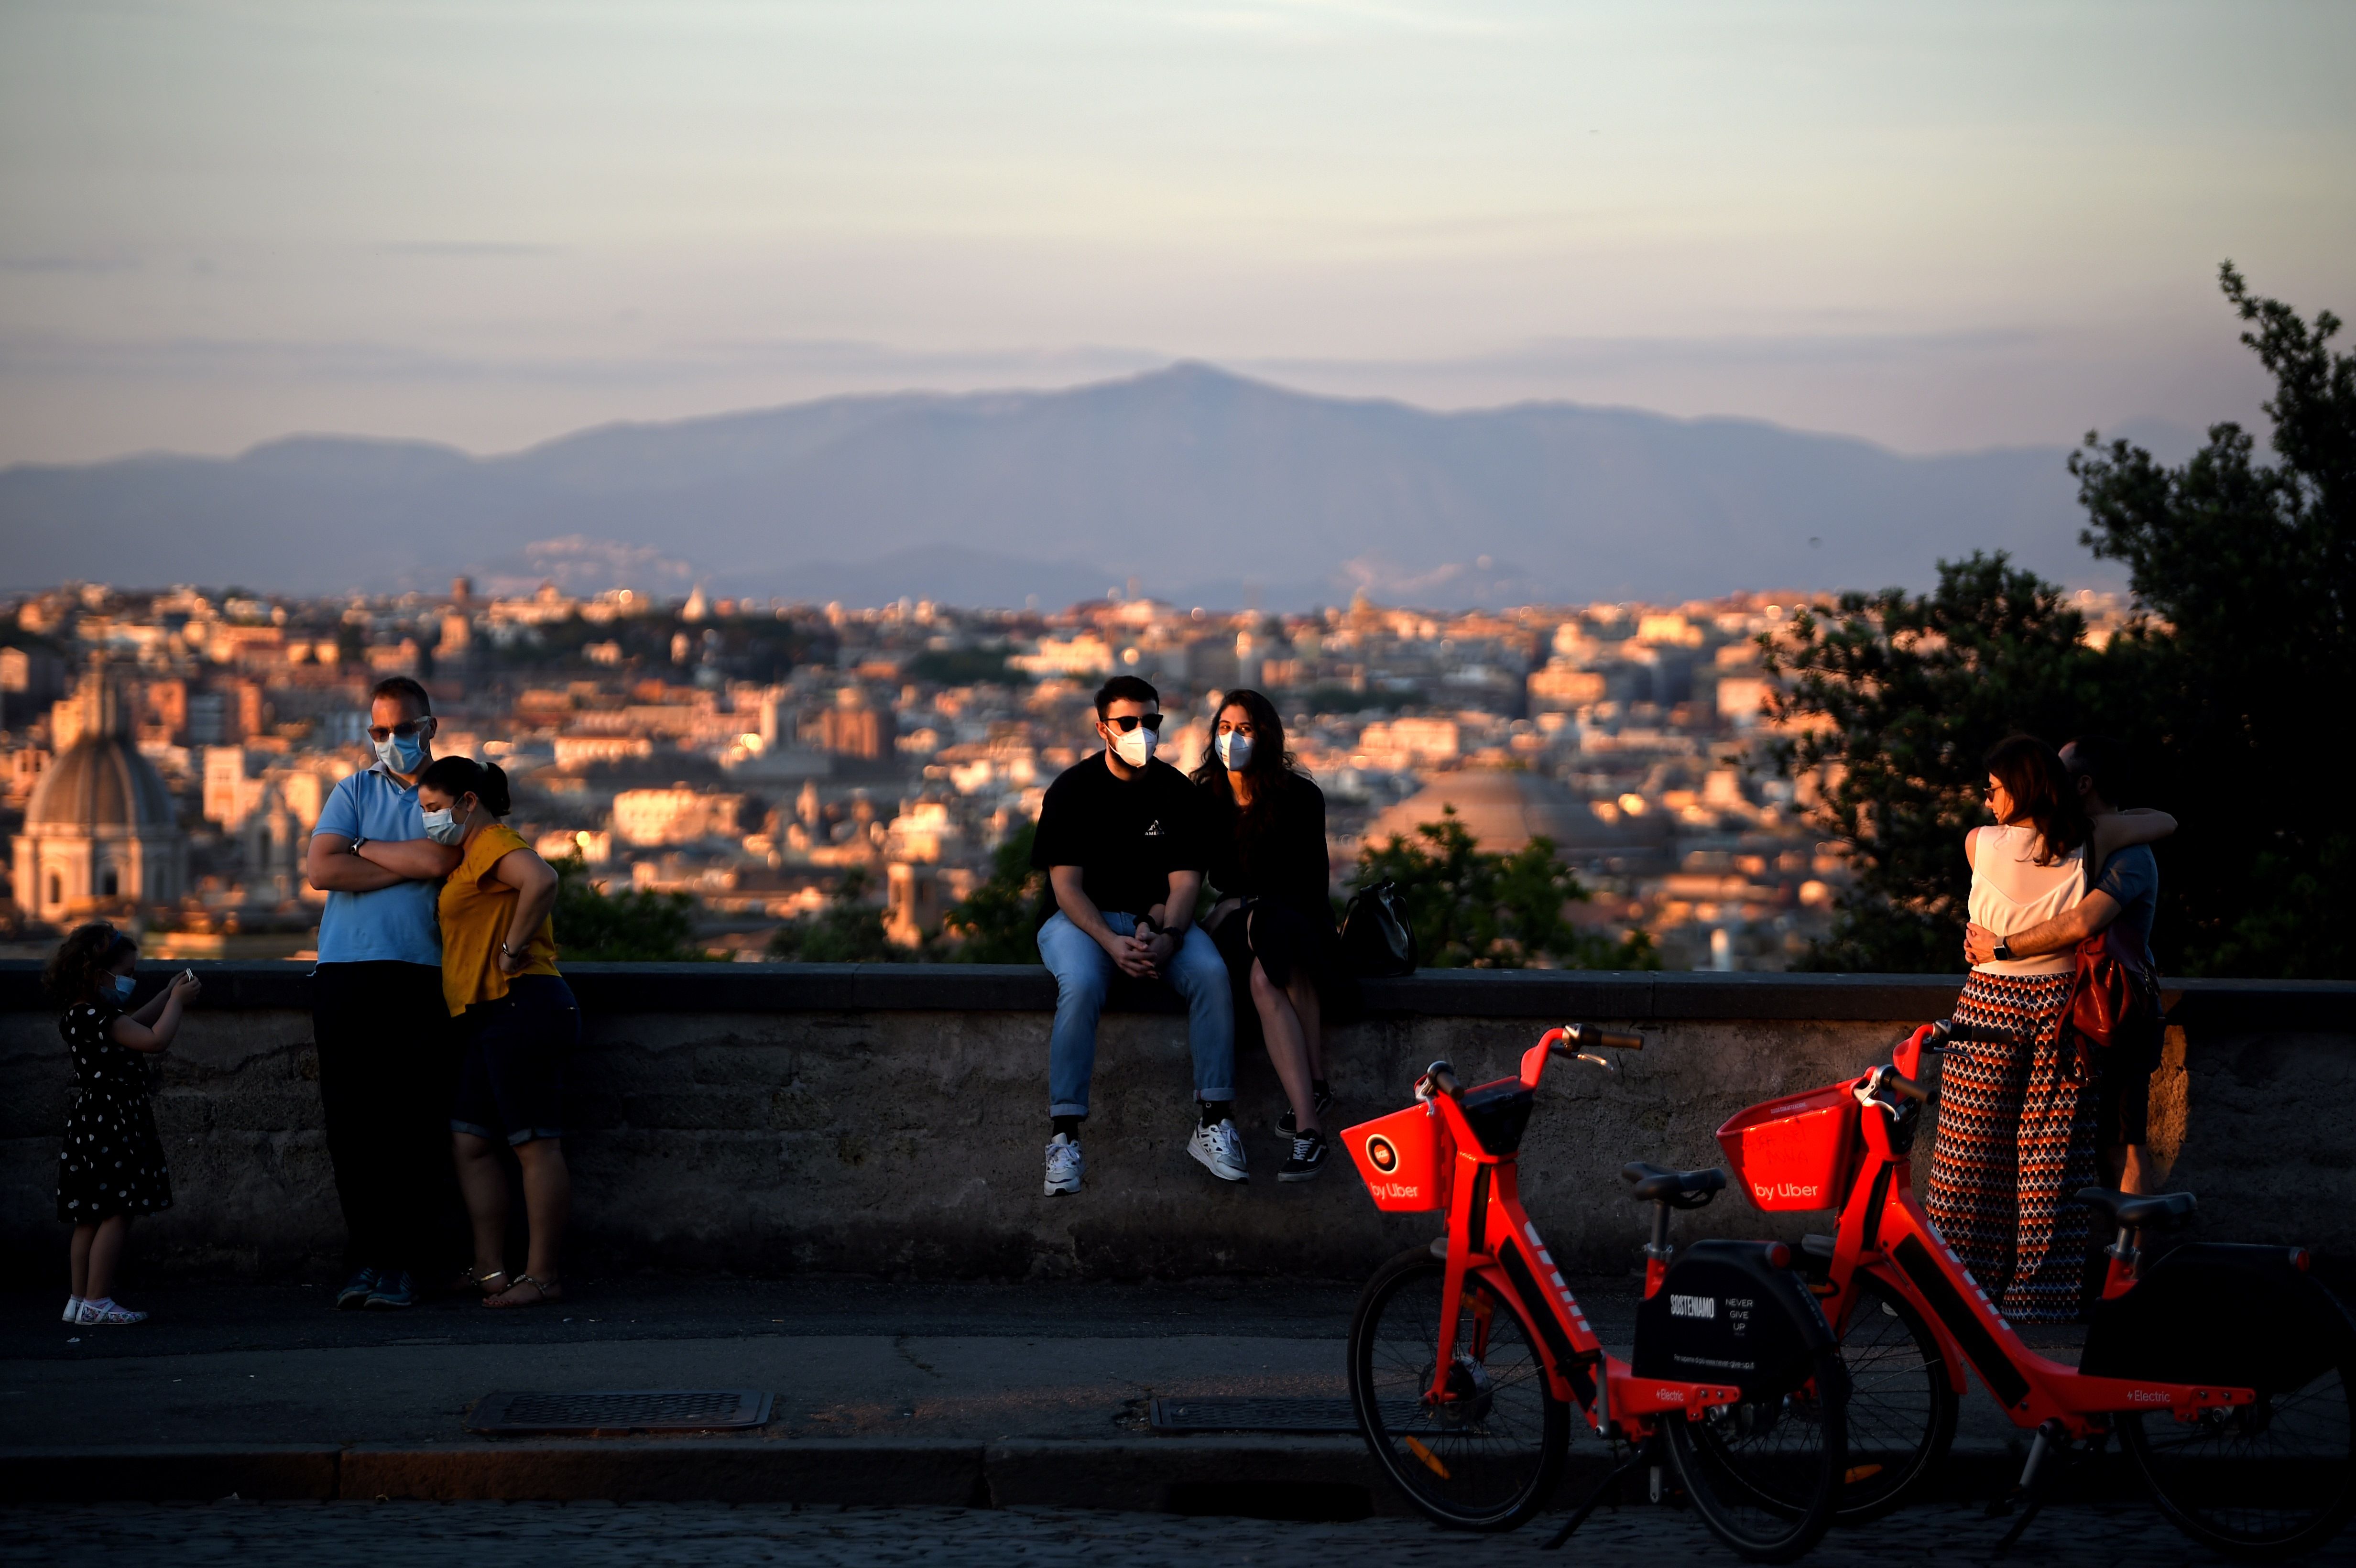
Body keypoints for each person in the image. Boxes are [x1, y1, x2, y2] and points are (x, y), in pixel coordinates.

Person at [1931, 734, 2174, 1322]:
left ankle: (1957, 1281)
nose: (1985, 801)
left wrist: (1999, 944)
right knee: (2051, 1154)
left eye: (1992, 790)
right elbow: (2163, 821)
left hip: (1991, 1000)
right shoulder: (2094, 841)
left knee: (1966, 1150)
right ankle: (2041, 1293)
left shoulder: (1977, 842)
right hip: (2062, 1004)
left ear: (2016, 789)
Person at [1031, 675, 1238, 1197]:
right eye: (1128, 723)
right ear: (1102, 727)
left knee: (1212, 974)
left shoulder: (1175, 792)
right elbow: (1066, 888)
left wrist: (1168, 936)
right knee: (1079, 984)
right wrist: (1108, 941)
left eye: (1151, 722)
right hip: (1084, 922)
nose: (1141, 732)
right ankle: (1064, 1135)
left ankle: (1214, 1117)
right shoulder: (1071, 791)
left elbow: (1185, 882)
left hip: (1160, 920)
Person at [304, 675, 463, 1311]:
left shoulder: (451, 793)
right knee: (352, 1129)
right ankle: (367, 1261)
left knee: (412, 1127)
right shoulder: (352, 789)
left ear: (430, 727)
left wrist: (362, 849)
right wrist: (399, 855)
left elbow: (439, 863)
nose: (391, 741)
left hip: (419, 975)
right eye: (380, 731)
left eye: (402, 729)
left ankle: (402, 1266)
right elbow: (321, 868)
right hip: (345, 974)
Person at [1963, 736, 2169, 1193]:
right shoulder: (2074, 842)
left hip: (2117, 1008)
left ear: (2083, 785)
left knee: (2123, 1143)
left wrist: (2000, 947)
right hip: (2082, 1007)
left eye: (2059, 772)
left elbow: (2080, 921)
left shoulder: (2125, 852)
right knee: (2080, 1147)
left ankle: (2127, 1258)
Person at [416, 756, 578, 1309]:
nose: (429, 820)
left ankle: (542, 1276)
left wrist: (510, 951)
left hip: (521, 1003)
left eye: (434, 809)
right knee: (471, 1141)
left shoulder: (489, 841)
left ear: (467, 802)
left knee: (534, 1143)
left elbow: (542, 879)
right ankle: (489, 1269)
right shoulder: (468, 855)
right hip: (487, 1011)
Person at [1192, 688, 1342, 1183]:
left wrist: (1242, 903)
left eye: (1245, 729)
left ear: (1267, 737)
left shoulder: (1298, 797)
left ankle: (1308, 1127)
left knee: (1267, 968)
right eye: (1224, 728)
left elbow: (1306, 886)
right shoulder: (1205, 798)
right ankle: (1314, 1099)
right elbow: (1196, 875)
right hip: (1243, 929)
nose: (1232, 738)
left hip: (1297, 920)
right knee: (1261, 961)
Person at [49, 922, 202, 1326]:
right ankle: (98, 1300)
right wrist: (180, 1002)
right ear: (100, 973)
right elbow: (154, 1040)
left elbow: (135, 1024)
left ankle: (79, 1299)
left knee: (89, 1216)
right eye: (129, 974)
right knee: (118, 1210)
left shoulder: (82, 1015)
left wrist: (167, 994)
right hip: (114, 1121)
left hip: (91, 1121)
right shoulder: (102, 1020)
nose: (132, 982)